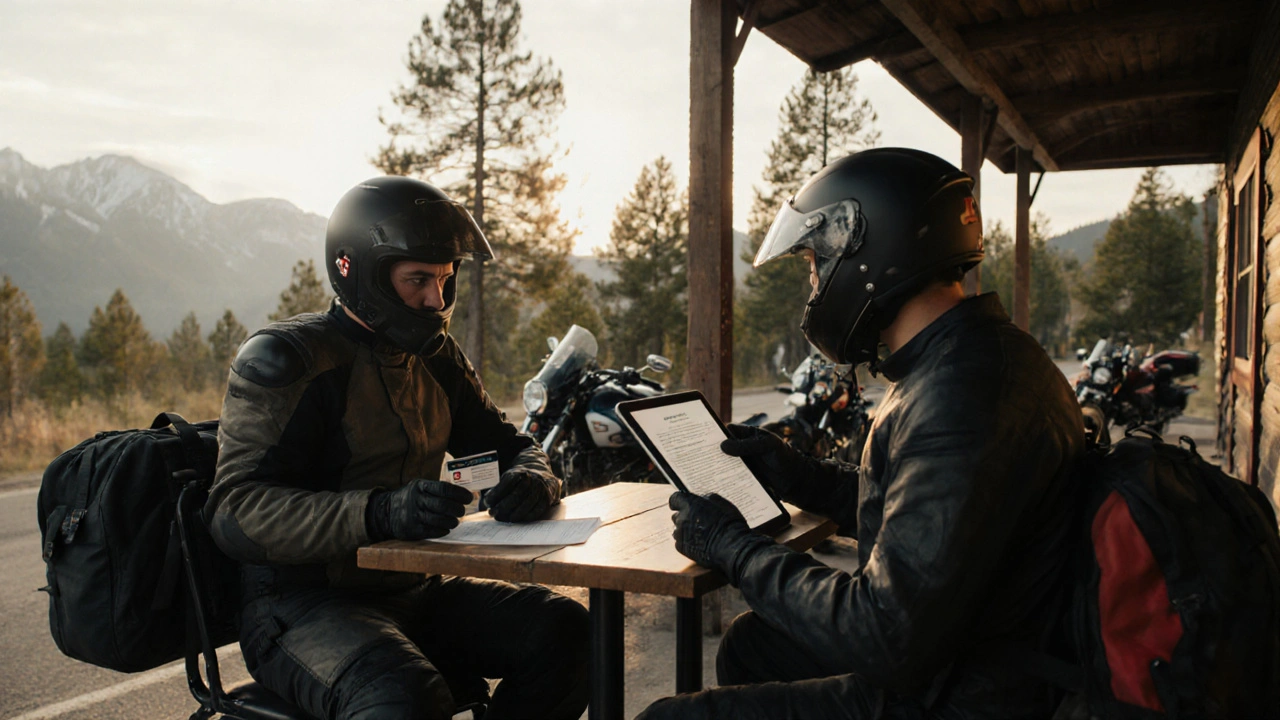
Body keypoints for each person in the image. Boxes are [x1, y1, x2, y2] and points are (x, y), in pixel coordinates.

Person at [640, 148, 1085, 719]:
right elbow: (930, 521)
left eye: (814, 267)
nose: (815, 288)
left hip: (963, 692)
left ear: (867, 254)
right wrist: (798, 474)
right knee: (753, 644)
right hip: (972, 650)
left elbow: (884, 634)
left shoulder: (960, 398)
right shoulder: (968, 357)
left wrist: (734, 548)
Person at [206, 176, 590, 720]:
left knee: (570, 632)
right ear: (357, 271)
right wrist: (379, 511)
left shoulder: (435, 357)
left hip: (415, 592)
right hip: (300, 606)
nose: (436, 299)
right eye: (417, 280)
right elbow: (234, 513)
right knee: (403, 696)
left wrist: (532, 478)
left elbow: (512, 446)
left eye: (445, 278)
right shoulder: (288, 360)